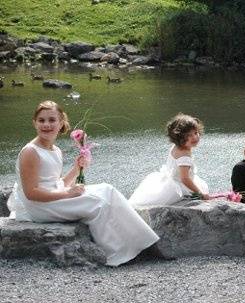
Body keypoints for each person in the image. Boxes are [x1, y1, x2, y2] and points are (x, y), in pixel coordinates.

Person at [7, 100, 160, 266]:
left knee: (108, 190)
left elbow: (58, 183)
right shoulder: (31, 151)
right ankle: (115, 254)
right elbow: (31, 193)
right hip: (39, 206)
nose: (46, 125)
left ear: (61, 123)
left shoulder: (55, 150)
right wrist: (68, 193)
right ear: (34, 123)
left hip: (52, 196)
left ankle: (141, 241)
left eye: (52, 120)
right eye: (41, 120)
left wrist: (76, 168)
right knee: (96, 204)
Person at [129, 113, 209, 207]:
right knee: (202, 190)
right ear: (179, 138)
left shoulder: (176, 147)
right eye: (189, 135)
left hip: (170, 180)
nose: (195, 137)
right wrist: (199, 194)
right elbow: (184, 179)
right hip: (178, 187)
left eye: (196, 133)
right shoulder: (184, 156)